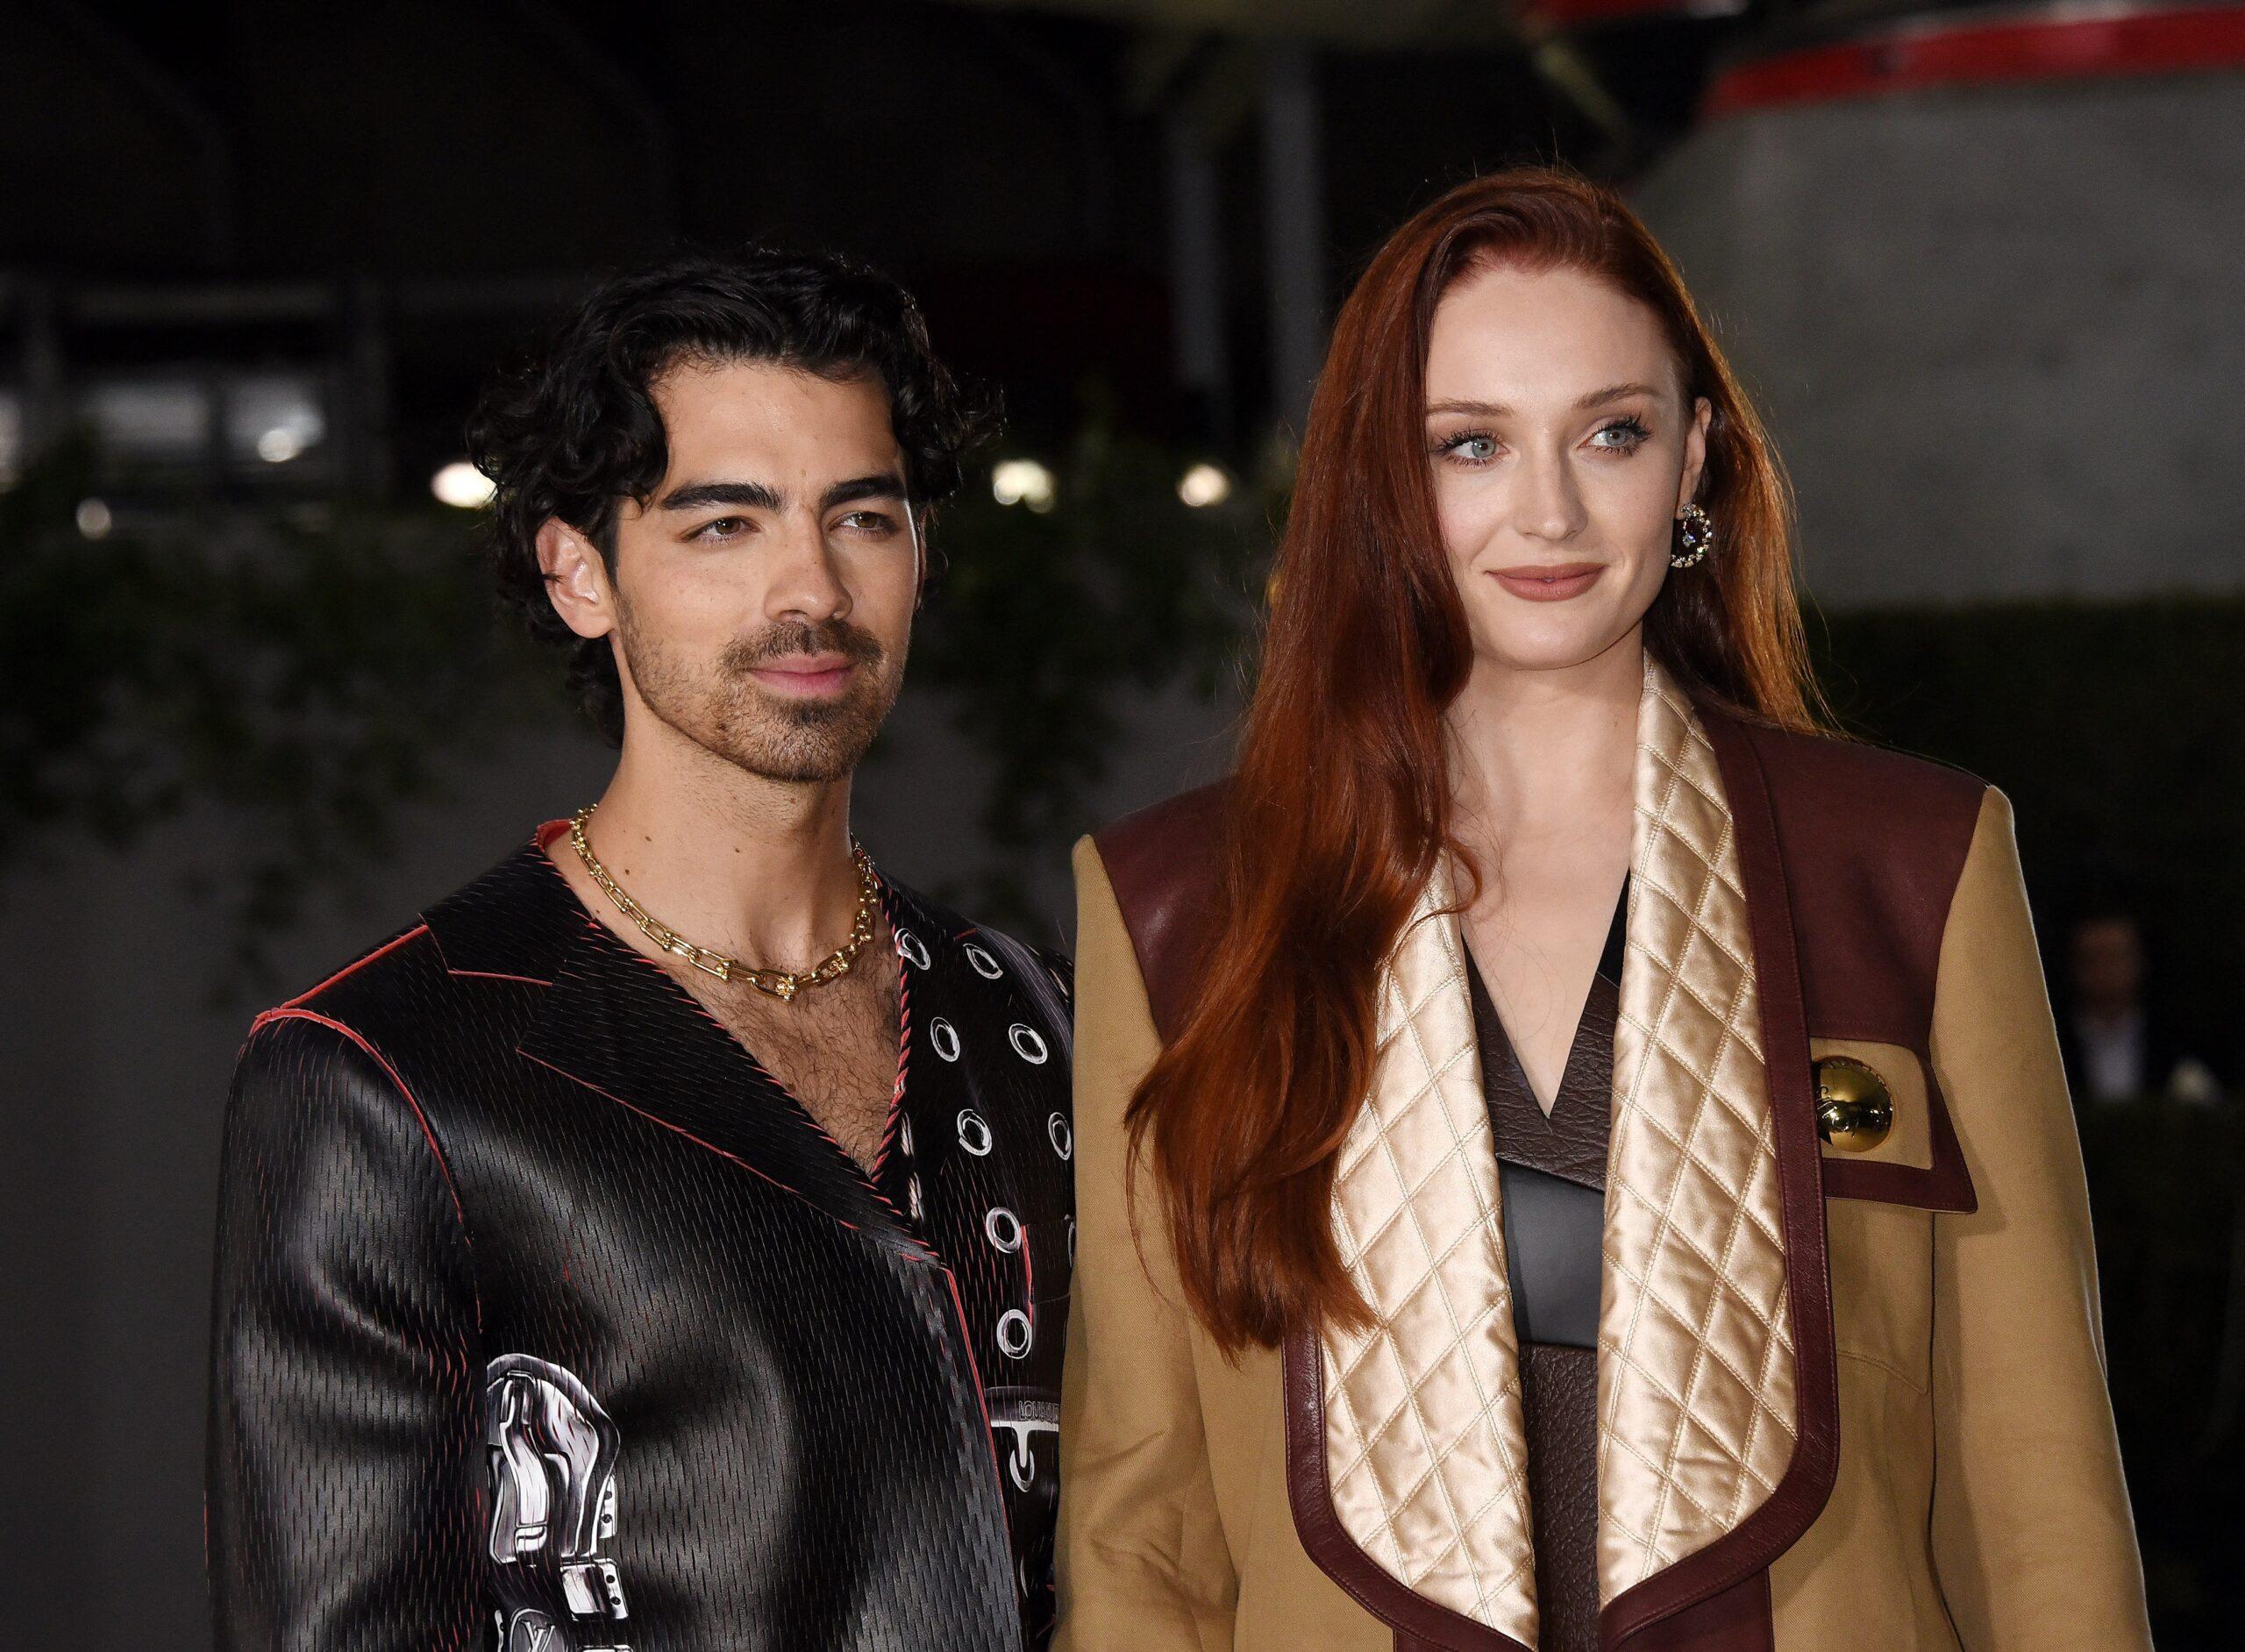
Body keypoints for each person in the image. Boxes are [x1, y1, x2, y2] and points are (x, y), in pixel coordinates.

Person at [1054, 169, 2149, 1651]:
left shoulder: (1911, 864)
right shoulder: (1178, 908)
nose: (1550, 508)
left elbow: (2040, 1493)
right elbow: (1145, 1531)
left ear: (1695, 454)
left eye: (1611, 432)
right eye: (1472, 444)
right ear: (1384, 477)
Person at [205, 250, 1074, 1652]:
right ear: (579, 573)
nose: (812, 588)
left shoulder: (1044, 1023)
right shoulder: (388, 1076)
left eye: (862, 516)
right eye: (724, 526)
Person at [2059, 905, 2223, 1106]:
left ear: (2139, 961)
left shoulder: (2178, 1043)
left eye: (2114, 957)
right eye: (2093, 959)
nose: (2104, 971)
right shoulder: (2052, 1043)